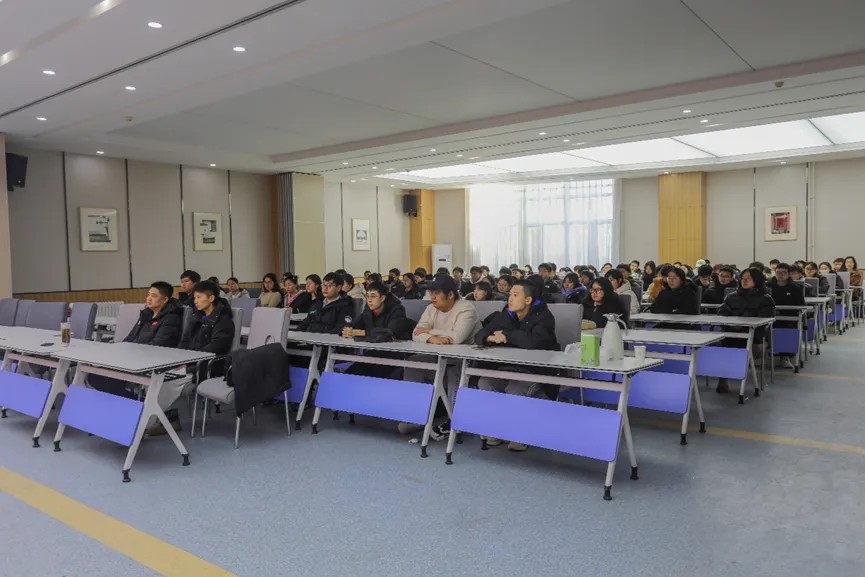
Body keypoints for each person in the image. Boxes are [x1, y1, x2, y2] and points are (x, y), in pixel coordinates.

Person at [474, 279, 559, 452]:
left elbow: (533, 342)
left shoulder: (544, 317)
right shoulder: (508, 313)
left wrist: (506, 334)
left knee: (514, 388)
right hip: (509, 369)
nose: (510, 299)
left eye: (515, 295)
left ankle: (520, 434)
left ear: (528, 300)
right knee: (485, 382)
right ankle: (496, 431)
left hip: (538, 373)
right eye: (510, 295)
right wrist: (490, 337)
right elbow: (480, 334)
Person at [401, 276, 482, 440]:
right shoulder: (431, 308)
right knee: (413, 362)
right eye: (431, 293)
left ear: (450, 294)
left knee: (453, 371)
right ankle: (416, 414)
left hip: (466, 360)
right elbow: (415, 333)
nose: (432, 297)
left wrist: (428, 332)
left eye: (436, 293)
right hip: (439, 356)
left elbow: (457, 338)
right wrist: (431, 338)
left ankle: (455, 422)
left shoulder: (466, 308)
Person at [87, 282, 184, 414]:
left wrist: (132, 353)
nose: (149, 298)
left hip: (150, 361)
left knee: (105, 380)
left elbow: (158, 345)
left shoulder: (172, 318)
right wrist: (119, 350)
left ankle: (144, 410)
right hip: (133, 358)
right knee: (94, 376)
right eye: (148, 295)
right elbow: (131, 337)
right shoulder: (146, 314)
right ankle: (136, 407)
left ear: (165, 299)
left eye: (154, 296)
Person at [715, 267, 775, 393]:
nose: (745, 281)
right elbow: (722, 314)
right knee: (717, 346)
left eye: (749, 278)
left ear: (757, 280)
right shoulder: (731, 297)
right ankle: (723, 378)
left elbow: (763, 321)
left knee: (740, 348)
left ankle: (726, 376)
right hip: (730, 335)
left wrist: (743, 326)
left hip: (754, 338)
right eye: (743, 278)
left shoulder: (766, 299)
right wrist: (731, 326)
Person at [342, 281, 413, 379]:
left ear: (382, 298)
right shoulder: (368, 310)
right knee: (349, 375)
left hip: (393, 357)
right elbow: (355, 325)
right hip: (373, 354)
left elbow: (390, 333)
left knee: (359, 375)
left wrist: (362, 332)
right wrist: (347, 330)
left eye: (373, 296)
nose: (369, 300)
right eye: (367, 296)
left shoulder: (397, 310)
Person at [767, 263, 805, 369]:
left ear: (789, 274)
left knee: (786, 328)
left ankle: (785, 356)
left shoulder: (795, 287)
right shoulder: (768, 286)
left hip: (789, 318)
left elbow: (801, 305)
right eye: (778, 272)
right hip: (770, 317)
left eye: (784, 272)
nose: (781, 275)